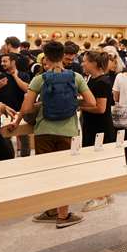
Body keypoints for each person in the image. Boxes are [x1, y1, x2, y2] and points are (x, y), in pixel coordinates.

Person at [7, 40, 96, 229]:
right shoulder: (75, 77)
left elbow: (26, 107)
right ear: (63, 57)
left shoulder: (40, 78)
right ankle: (63, 216)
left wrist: (43, 105)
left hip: (43, 131)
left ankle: (51, 210)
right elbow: (91, 102)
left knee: (47, 173)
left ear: (45, 58)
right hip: (68, 132)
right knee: (65, 174)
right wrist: (73, 102)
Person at [79, 50, 118, 211]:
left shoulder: (102, 82)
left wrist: (79, 105)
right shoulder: (93, 79)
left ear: (93, 63)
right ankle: (106, 192)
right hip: (93, 126)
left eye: (84, 61)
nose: (81, 64)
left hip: (100, 127)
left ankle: (100, 196)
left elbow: (100, 108)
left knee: (98, 161)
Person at [0, 53, 32, 156]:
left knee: (25, 139)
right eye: (1, 61)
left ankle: (26, 159)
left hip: (21, 111)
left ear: (13, 62)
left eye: (5, 61)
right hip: (3, 113)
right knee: (5, 139)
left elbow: (26, 89)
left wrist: (15, 77)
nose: (2, 64)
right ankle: (10, 158)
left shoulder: (24, 75)